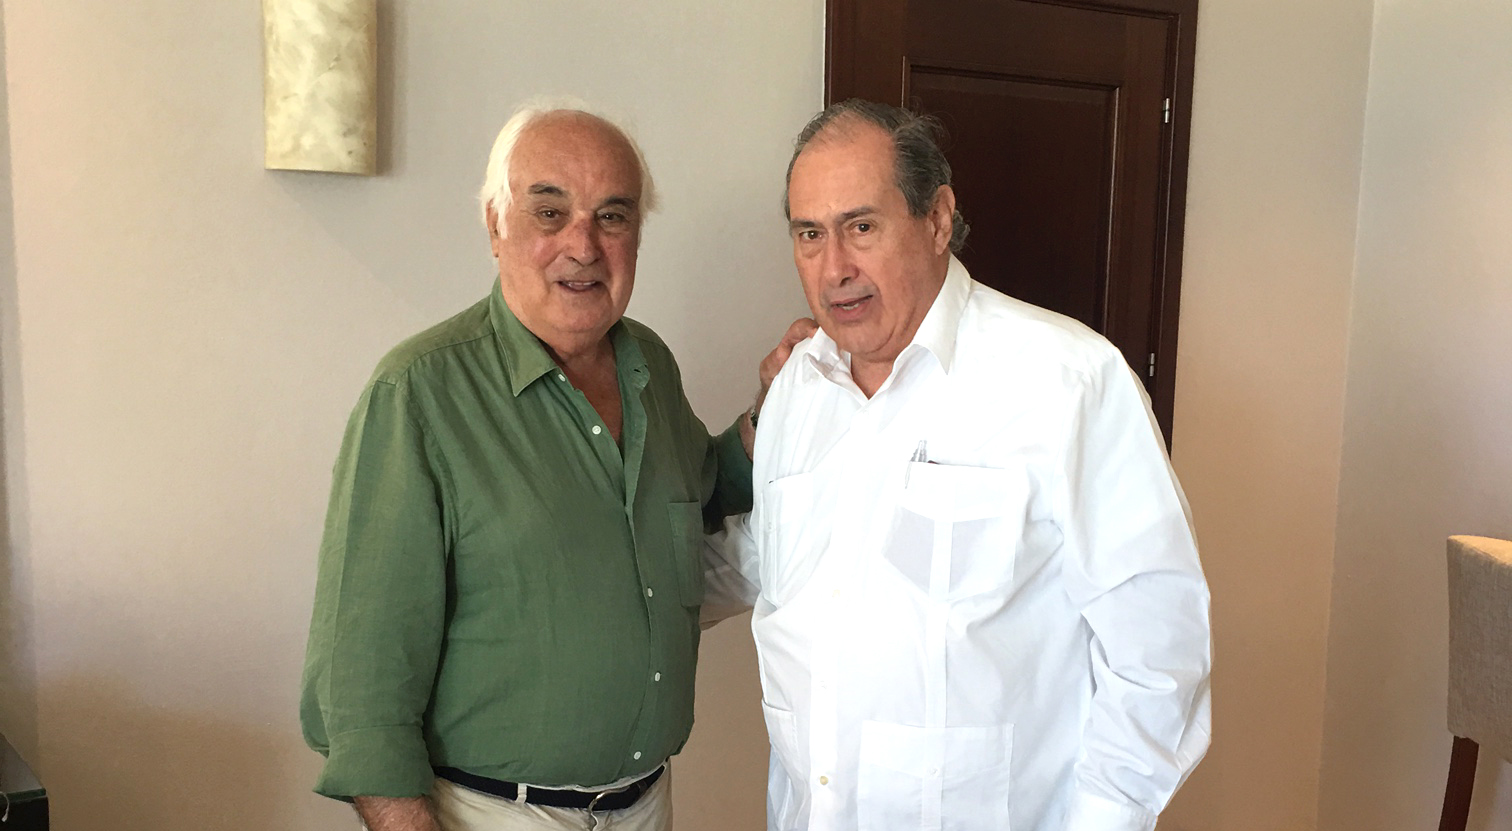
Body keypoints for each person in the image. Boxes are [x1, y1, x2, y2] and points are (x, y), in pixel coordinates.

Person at [705, 99, 1212, 831]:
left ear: (938, 219)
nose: (834, 267)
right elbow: (778, 558)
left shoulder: (1068, 382)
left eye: (861, 226)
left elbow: (1158, 649)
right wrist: (633, 593)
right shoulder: (797, 388)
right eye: (809, 234)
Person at [300, 101, 791, 831]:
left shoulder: (648, 363)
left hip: (645, 804)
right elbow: (362, 678)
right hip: (491, 813)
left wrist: (777, 406)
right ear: (495, 225)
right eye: (550, 212)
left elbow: (703, 488)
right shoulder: (417, 394)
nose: (583, 246)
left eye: (612, 216)